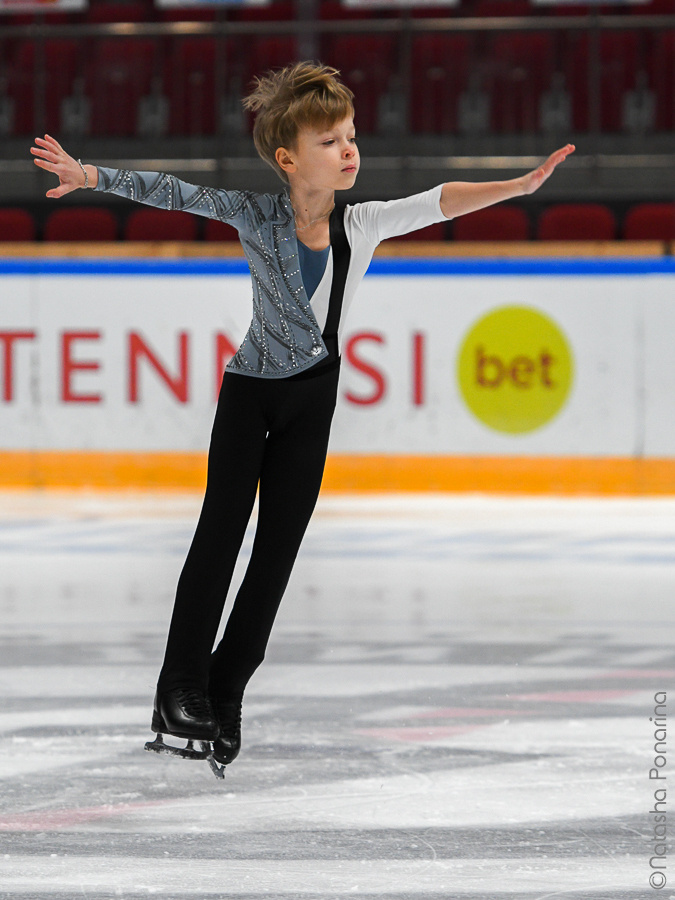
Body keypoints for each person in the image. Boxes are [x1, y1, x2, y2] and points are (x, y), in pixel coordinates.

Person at [31, 61, 574, 775]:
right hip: (248, 396)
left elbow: (437, 201)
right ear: (288, 158)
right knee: (218, 540)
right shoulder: (256, 217)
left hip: (311, 400)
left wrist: (518, 185)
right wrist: (92, 176)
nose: (348, 150)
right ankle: (179, 690)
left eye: (350, 136)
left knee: (276, 556)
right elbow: (176, 193)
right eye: (329, 141)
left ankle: (225, 691)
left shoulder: (364, 225)